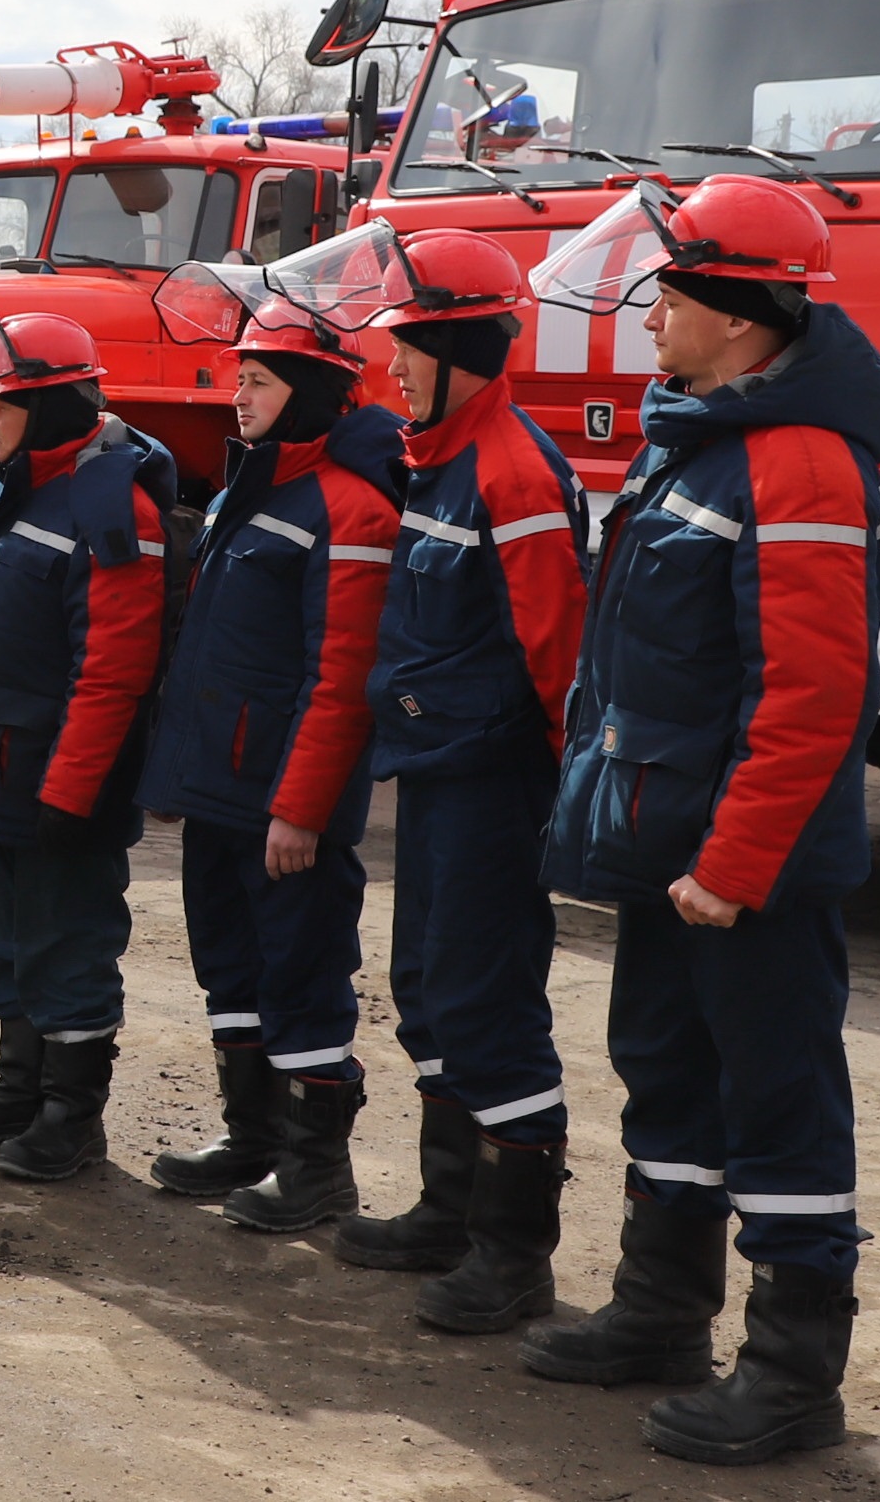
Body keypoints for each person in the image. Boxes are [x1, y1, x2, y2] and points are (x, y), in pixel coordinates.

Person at [523, 179, 880, 1467]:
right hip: (666, 854)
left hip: (743, 872)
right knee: (665, 1073)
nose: (652, 310)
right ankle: (658, 1314)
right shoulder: (701, 437)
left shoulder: (795, 463)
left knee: (777, 1099)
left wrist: (734, 866)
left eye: (672, 292)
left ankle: (792, 1376)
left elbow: (809, 691)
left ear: (739, 319)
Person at [331, 228, 593, 1339]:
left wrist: (554, 791)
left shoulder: (512, 470)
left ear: (458, 348)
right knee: (429, 989)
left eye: (405, 346)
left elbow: (557, 654)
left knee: (485, 1003)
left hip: (490, 785)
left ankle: (510, 1253)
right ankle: (447, 1207)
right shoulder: (437, 455)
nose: (387, 368)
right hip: (435, 774)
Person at [135, 295, 402, 1228]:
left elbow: (341, 678)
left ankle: (317, 1172)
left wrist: (303, 806)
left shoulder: (352, 509)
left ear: (312, 395)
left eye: (257, 382)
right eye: (238, 378)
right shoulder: (251, 489)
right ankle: (253, 1138)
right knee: (231, 965)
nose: (236, 396)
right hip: (222, 791)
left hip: (284, 805)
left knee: (301, 973)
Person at [0, 310, 173, 1182]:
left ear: (49, 407)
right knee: (7, 938)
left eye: (2, 407)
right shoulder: (1, 486)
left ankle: (70, 1118)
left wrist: (71, 791)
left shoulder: (111, 504)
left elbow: (113, 671)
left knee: (68, 943)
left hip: (55, 784)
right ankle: (20, 1087)